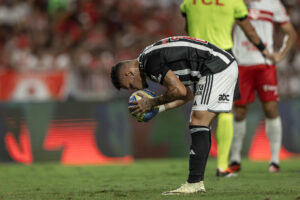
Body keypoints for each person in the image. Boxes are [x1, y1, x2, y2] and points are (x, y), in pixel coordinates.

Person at [110, 36, 239, 194]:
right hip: (214, 66)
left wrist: (151, 103)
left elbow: (179, 91)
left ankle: (195, 183)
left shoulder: (150, 63)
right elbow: (186, 95)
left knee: (199, 121)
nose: (133, 89)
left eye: (130, 85)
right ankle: (196, 182)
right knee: (198, 121)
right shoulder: (148, 60)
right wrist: (159, 109)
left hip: (215, 67)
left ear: (129, 73)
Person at [180, 0, 269, 176]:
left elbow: (188, 28)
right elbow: (248, 29)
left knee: (201, 110)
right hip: (222, 56)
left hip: (196, 56)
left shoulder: (189, 2)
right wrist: (262, 48)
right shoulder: (234, 2)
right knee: (226, 111)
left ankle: (198, 168)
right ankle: (222, 166)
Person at [229, 0, 297, 173]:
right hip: (241, 64)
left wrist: (280, 54)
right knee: (240, 111)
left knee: (271, 109)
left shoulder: (273, 4)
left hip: (265, 64)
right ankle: (235, 158)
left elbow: (290, 32)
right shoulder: (235, 3)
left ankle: (274, 160)